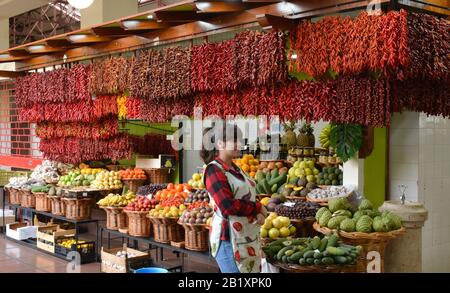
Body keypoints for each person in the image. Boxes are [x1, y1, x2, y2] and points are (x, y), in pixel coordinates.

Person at [201, 122, 267, 273]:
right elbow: (227, 206)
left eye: (241, 139)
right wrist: (257, 207)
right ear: (220, 143)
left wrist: (256, 214)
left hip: (246, 238)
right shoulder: (214, 170)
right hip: (228, 240)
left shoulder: (236, 169)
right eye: (235, 140)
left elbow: (246, 197)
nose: (240, 144)